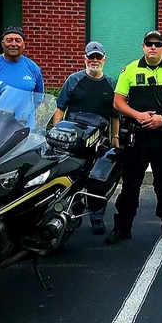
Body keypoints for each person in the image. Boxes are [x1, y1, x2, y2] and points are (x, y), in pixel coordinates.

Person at [105, 30, 162, 246]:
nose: (153, 47)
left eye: (157, 44)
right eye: (149, 44)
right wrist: (137, 115)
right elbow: (118, 101)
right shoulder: (130, 70)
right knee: (130, 186)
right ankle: (122, 228)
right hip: (137, 137)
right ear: (143, 46)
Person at [52, 41, 120, 235]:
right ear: (85, 58)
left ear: (104, 60)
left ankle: (97, 217)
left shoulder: (111, 84)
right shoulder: (73, 80)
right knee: (69, 179)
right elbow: (60, 109)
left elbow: (115, 115)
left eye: (98, 57)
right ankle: (63, 217)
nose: (94, 60)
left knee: (97, 180)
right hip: (73, 143)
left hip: (99, 143)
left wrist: (115, 137)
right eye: (91, 57)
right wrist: (56, 132)